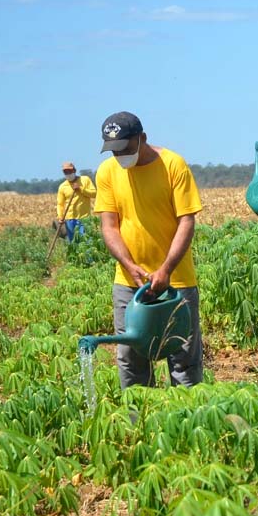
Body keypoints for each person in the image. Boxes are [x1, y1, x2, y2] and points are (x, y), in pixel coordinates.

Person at [93, 111, 204, 389]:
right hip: (129, 283)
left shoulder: (172, 165)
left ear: (142, 138)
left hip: (176, 282)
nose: (120, 157)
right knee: (131, 359)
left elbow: (186, 221)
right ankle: (138, 426)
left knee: (184, 360)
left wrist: (166, 269)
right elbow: (109, 226)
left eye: (126, 149)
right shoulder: (107, 171)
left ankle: (186, 423)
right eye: (113, 151)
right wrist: (129, 265)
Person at [56, 162, 96, 242]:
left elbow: (94, 194)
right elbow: (60, 204)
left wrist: (81, 189)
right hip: (69, 219)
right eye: (65, 172)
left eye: (69, 171)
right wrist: (60, 216)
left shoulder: (85, 180)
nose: (68, 173)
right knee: (73, 242)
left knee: (87, 241)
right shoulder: (62, 186)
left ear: (74, 170)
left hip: (84, 218)